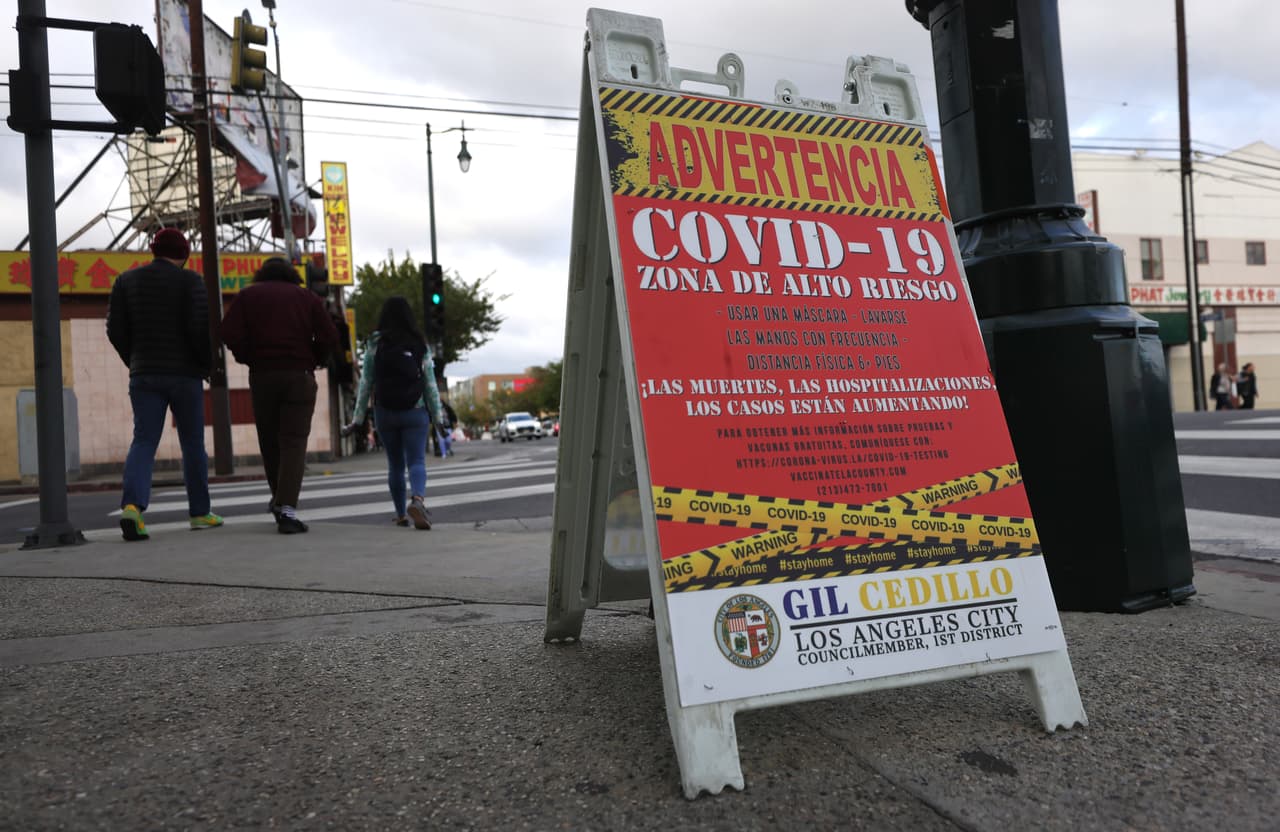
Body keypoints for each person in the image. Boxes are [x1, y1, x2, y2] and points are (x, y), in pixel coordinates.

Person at [105, 227, 223, 540]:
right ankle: (199, 513)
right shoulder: (191, 281)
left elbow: (114, 330)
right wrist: (205, 365)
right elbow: (201, 328)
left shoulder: (125, 281)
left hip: (144, 373)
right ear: (184, 254)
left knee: (144, 440)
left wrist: (135, 360)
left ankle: (132, 507)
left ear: (154, 251)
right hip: (185, 375)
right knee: (192, 443)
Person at [222, 257, 338, 534]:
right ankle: (287, 509)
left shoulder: (247, 296)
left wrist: (248, 356)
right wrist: (315, 359)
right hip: (299, 375)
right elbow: (329, 336)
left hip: (263, 376)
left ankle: (279, 500)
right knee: (293, 443)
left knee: (270, 442)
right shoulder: (307, 298)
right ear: (291, 274)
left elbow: (228, 332)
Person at [345, 296, 442, 529]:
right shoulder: (419, 344)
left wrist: (357, 418)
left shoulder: (375, 344)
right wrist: (438, 417)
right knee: (417, 460)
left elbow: (366, 382)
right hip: (415, 411)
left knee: (395, 465)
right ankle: (417, 499)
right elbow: (430, 383)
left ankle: (401, 515)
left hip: (385, 411)